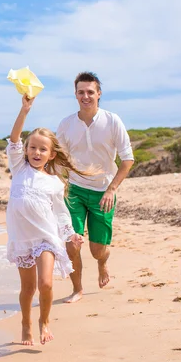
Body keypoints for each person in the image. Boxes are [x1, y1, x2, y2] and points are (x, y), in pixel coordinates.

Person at [6, 95, 88, 345]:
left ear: (52, 155)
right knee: (28, 289)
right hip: (22, 239)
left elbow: (61, 213)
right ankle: (25, 323)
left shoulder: (54, 182)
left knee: (46, 283)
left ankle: (45, 321)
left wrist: (71, 234)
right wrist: (24, 111)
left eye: (43, 149)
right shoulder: (19, 168)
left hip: (46, 238)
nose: (36, 152)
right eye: (33, 147)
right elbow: (13, 140)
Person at [56, 71, 134, 303]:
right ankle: (77, 289)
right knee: (72, 244)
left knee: (97, 249)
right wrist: (59, 185)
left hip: (103, 192)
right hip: (75, 191)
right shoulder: (66, 124)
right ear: (76, 94)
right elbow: (59, 159)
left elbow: (127, 159)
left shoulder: (112, 121)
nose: (86, 96)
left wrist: (111, 189)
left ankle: (102, 263)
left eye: (91, 92)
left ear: (99, 94)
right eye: (81, 92)